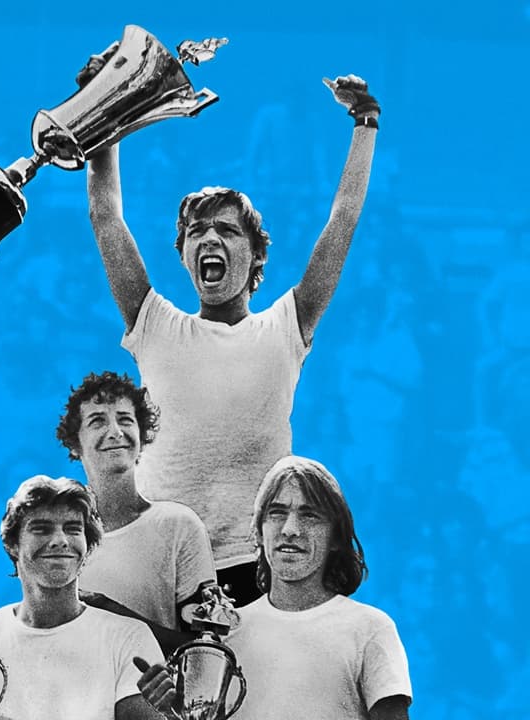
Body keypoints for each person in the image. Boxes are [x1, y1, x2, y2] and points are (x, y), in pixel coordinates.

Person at [82, 50, 381, 602]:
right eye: (197, 232)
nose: (210, 239)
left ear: (256, 255)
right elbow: (106, 217)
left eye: (226, 230)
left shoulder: (286, 326)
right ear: (183, 254)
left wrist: (365, 123)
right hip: (159, 558)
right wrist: (103, 110)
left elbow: (343, 216)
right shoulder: (154, 323)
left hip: (256, 565)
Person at [136, 455, 412, 720]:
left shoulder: (370, 629)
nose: (290, 529)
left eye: (310, 515)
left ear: (336, 538)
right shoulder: (230, 636)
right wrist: (172, 712)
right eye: (277, 513)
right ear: (258, 532)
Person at [0, 476, 167, 720]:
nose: (60, 541)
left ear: (87, 544)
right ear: (13, 545)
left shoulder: (128, 638)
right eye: (41, 529)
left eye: (73, 529)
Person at [54, 371, 215, 649]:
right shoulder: (58, 538)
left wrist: (109, 611)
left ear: (142, 435)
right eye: (97, 421)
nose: (115, 432)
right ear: (75, 444)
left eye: (125, 419)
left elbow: (203, 648)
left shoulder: (178, 525)